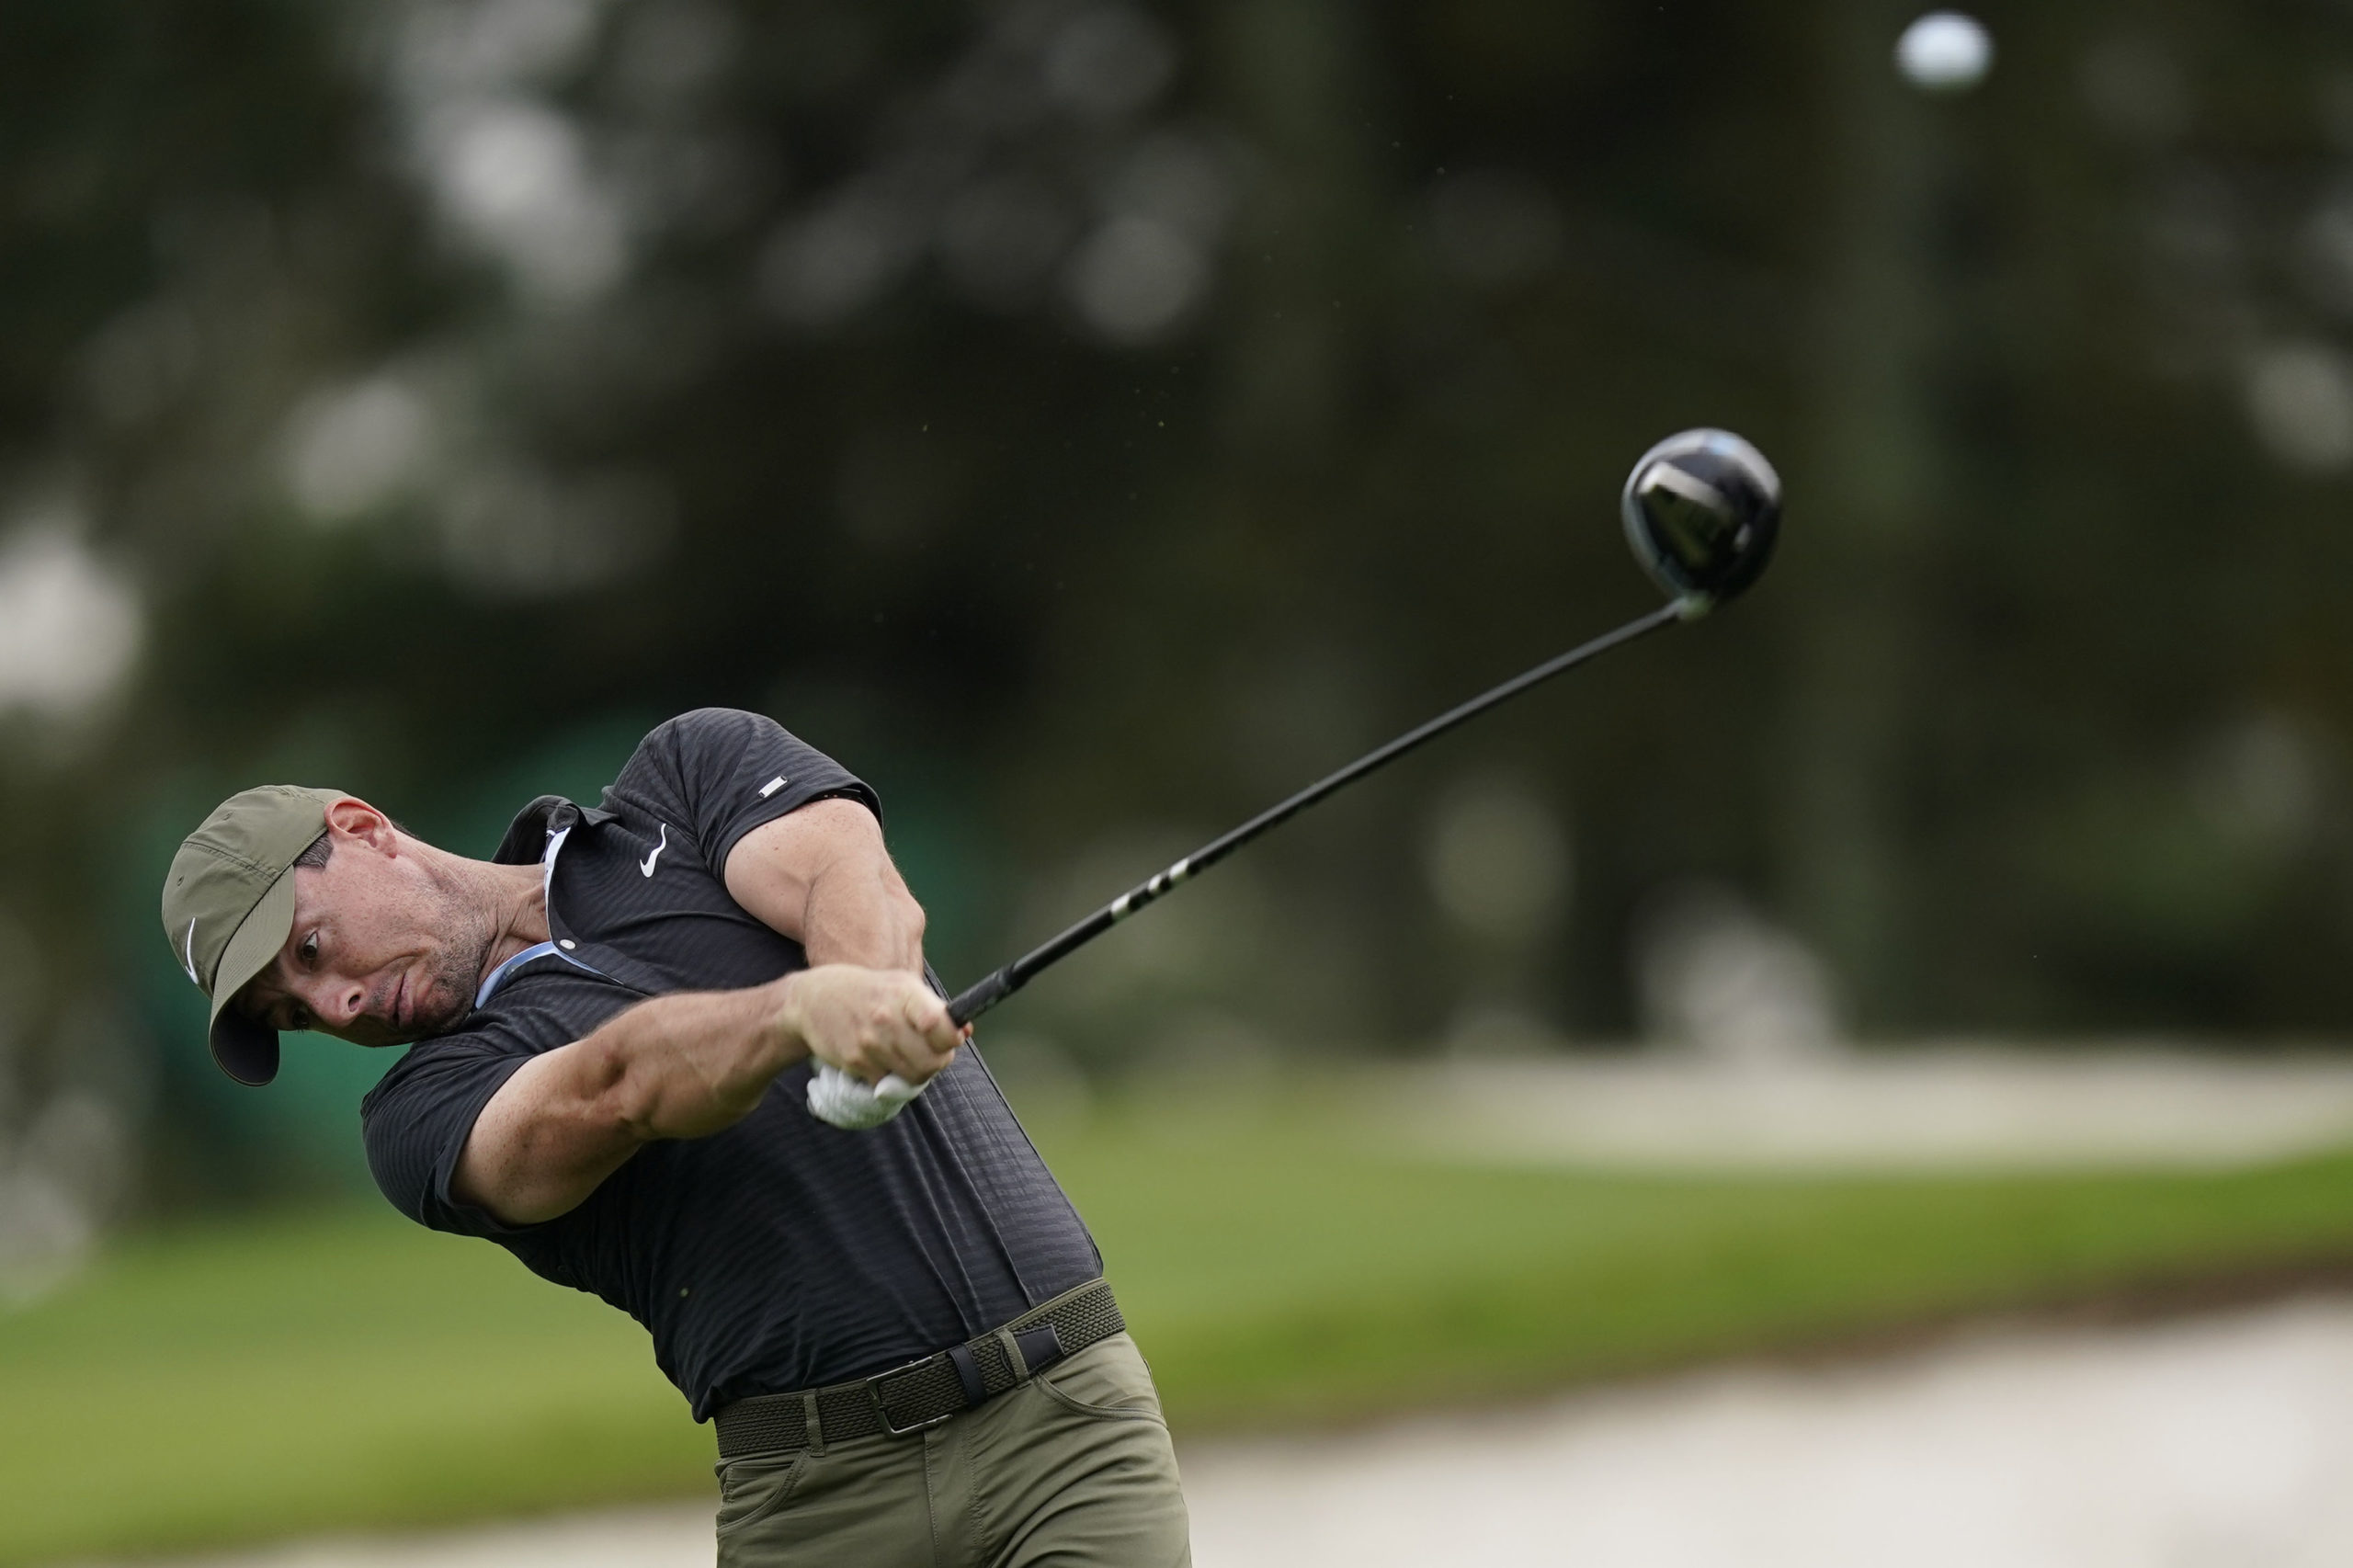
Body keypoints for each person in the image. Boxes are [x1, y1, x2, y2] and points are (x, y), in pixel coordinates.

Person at [159, 708, 1190, 1566]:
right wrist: (799, 1014)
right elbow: (616, 1088)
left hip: (1064, 1431)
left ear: (360, 828)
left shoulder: (687, 777)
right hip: (817, 1508)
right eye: (292, 1011)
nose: (334, 1001)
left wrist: (867, 1001)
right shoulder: (419, 1115)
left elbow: (846, 869)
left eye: (310, 947)